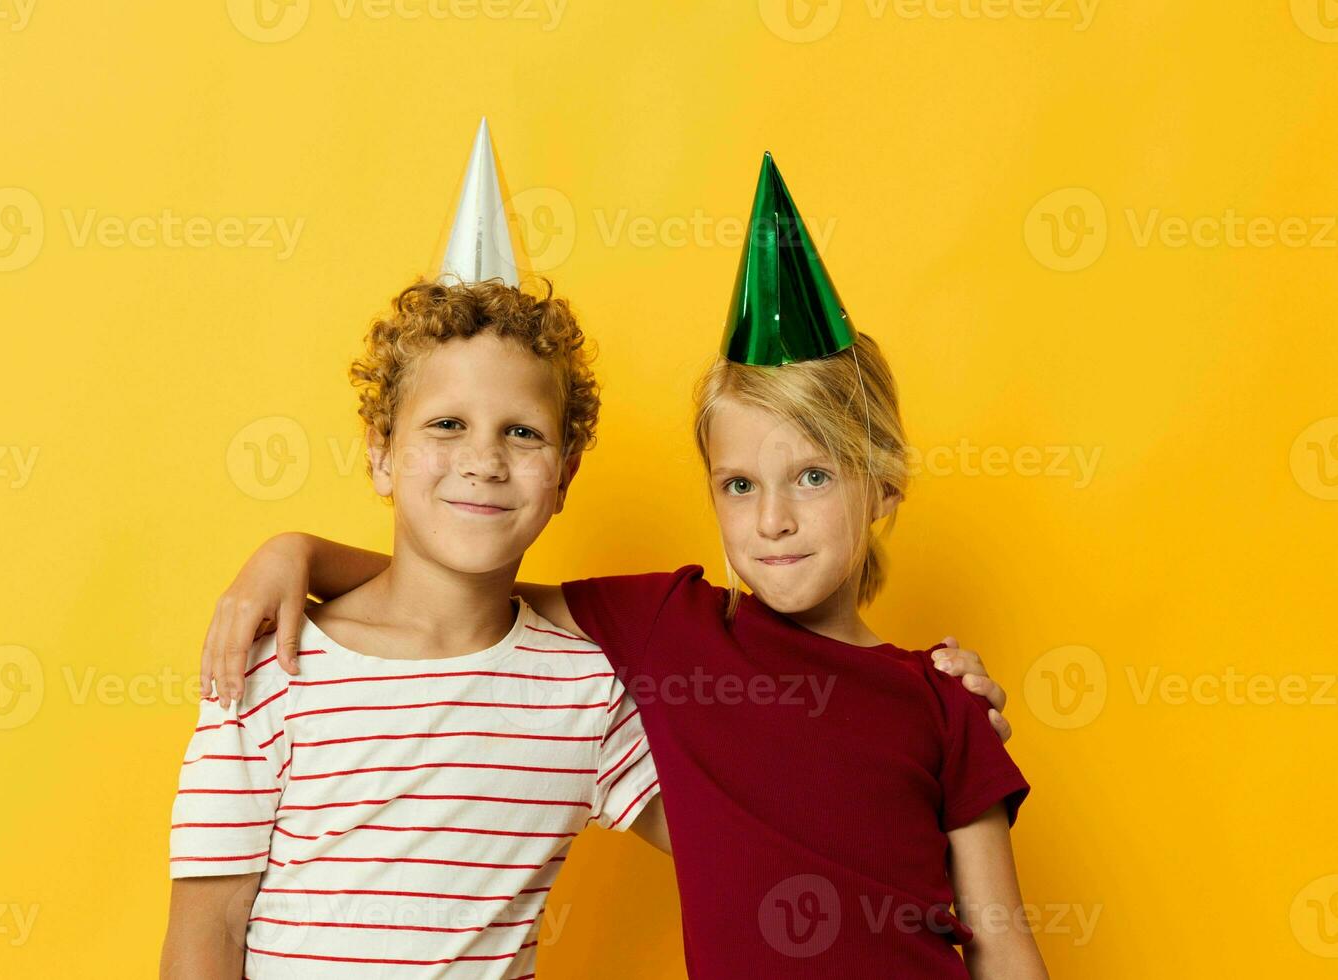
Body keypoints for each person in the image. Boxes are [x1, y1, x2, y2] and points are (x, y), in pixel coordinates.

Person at [199, 155, 1046, 976]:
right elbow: (463, 592)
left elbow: (989, 933)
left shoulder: (930, 698)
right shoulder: (666, 630)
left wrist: (941, 709)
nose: (776, 518)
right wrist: (294, 551)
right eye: (741, 485)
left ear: (885, 488)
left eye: (815, 477)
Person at [160, 278, 666, 979]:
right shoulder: (272, 663)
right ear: (380, 453)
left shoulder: (586, 692)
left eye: (522, 433)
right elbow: (207, 928)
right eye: (446, 424)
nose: (483, 461)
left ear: (565, 475)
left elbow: (735, 842)